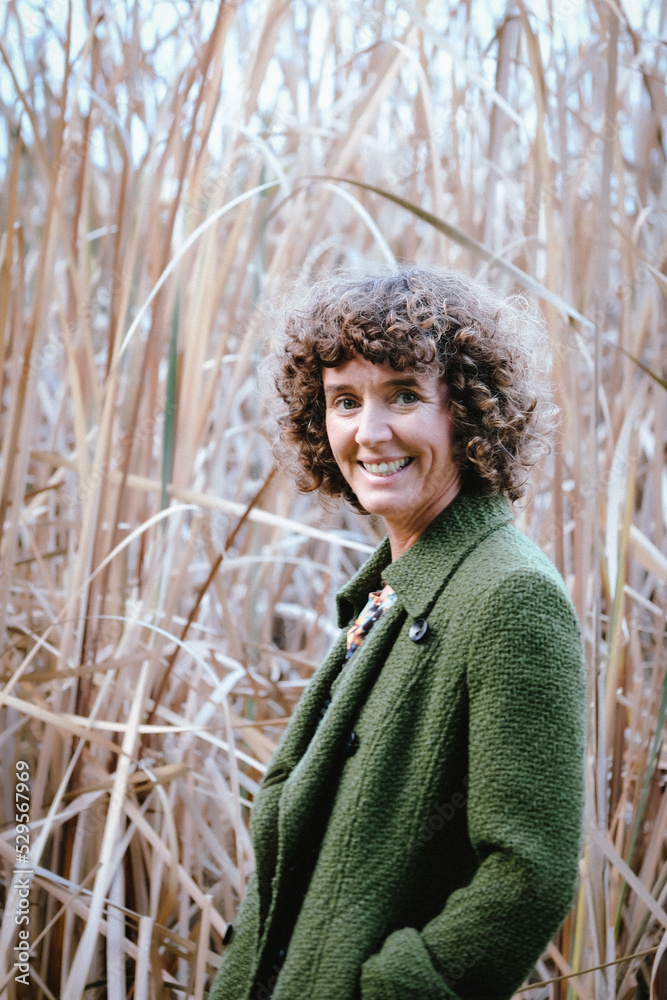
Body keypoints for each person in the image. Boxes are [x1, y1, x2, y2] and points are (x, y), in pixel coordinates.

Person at [210, 267, 586, 1000]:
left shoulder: (511, 597)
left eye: (403, 395)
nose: (368, 432)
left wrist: (388, 990)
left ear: (470, 411)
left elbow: (527, 874)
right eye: (343, 401)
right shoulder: (389, 589)